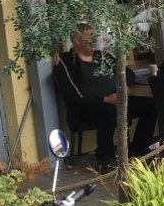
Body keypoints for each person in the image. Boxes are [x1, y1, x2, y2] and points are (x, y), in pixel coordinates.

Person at [55, 23, 157, 169]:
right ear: (76, 40)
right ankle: (104, 157)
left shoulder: (102, 57)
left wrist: (125, 87)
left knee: (151, 105)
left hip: (117, 100)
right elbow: (74, 94)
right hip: (87, 108)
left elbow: (128, 73)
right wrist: (106, 99)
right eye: (90, 36)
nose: (94, 39)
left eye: (94, 35)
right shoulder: (67, 63)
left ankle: (138, 149)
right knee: (108, 111)